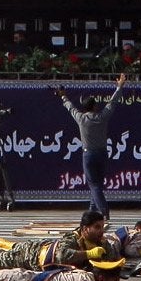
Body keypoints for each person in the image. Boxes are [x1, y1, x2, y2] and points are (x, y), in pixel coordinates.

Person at [56, 74, 126, 217]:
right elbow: (112, 102)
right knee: (97, 184)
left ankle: (103, 211)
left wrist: (63, 96)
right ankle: (92, 210)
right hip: (102, 154)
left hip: (88, 155)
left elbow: (70, 107)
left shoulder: (81, 118)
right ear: (94, 106)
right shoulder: (102, 117)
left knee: (94, 185)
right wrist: (119, 87)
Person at [0, 208, 109, 270]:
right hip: (31, 257)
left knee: (18, 248)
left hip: (41, 247)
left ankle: (9, 245)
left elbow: (111, 259)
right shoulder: (72, 239)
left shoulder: (98, 241)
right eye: (97, 227)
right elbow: (62, 255)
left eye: (102, 227)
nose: (101, 231)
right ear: (84, 229)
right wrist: (89, 254)